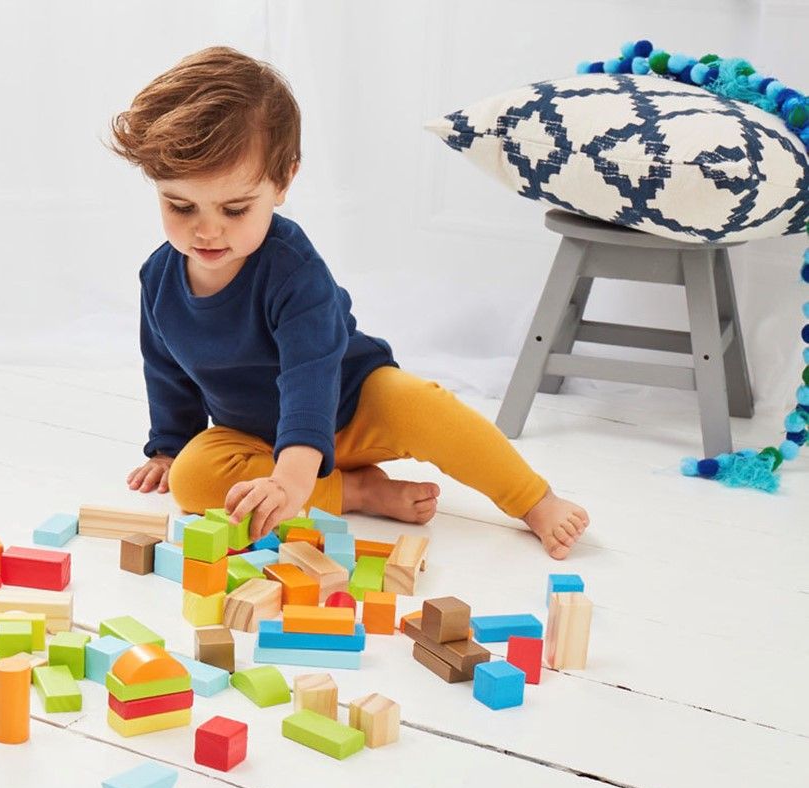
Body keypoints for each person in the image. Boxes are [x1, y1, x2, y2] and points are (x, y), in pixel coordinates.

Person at [109, 46, 588, 559]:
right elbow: (166, 370)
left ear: (283, 181)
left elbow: (308, 377)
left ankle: (535, 500)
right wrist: (168, 446)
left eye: (235, 208)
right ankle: (356, 491)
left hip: (352, 404)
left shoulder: (294, 273)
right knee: (194, 480)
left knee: (428, 408)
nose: (206, 229)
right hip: (253, 435)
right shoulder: (158, 278)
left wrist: (293, 478)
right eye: (180, 206)